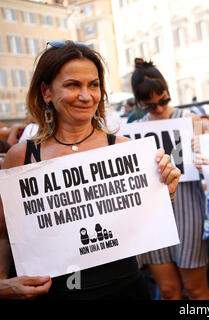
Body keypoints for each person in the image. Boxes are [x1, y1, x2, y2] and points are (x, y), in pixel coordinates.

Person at [0, 40, 181, 300]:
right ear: (46, 91)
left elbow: (144, 220)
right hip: (51, 292)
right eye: (73, 85)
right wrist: (3, 282)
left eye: (93, 85)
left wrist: (167, 191)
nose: (86, 96)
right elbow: (5, 233)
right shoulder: (21, 157)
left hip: (123, 289)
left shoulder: (125, 149)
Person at [131, 59, 209, 300]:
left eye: (163, 100)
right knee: (167, 291)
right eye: (149, 105)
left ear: (168, 92)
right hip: (155, 214)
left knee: (195, 289)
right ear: (139, 103)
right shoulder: (134, 130)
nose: (158, 109)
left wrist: (202, 151)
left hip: (188, 207)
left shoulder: (190, 120)